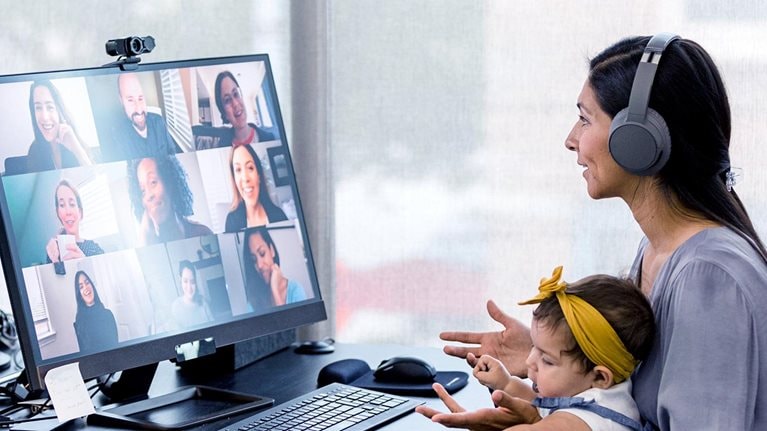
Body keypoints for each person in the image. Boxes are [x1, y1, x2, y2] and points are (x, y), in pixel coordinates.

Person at [422, 34, 767, 430]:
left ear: (638, 140)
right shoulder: (659, 250)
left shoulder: (709, 277)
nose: (571, 140)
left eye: (585, 119)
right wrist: (560, 356)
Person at [469, 266, 654, 431]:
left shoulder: (590, 420)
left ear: (599, 377)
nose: (529, 361)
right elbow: (542, 405)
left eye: (547, 360)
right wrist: (505, 383)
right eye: (534, 346)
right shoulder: (609, 389)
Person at [127, 155, 212, 245]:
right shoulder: (145, 243)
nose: (148, 195)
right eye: (142, 191)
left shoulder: (202, 233)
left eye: (153, 182)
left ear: (170, 182)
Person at [101, 73, 177, 162]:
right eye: (130, 100)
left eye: (140, 98)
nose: (139, 109)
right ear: (121, 101)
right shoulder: (117, 135)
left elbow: (173, 154)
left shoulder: (158, 121)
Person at [26, 80, 93, 172]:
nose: (45, 117)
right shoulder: (34, 151)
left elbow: (98, 182)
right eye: (38, 108)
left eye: (50, 107)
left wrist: (77, 150)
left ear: (59, 111)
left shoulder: (75, 140)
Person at [224, 144, 287, 232]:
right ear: (234, 179)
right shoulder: (232, 222)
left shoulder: (279, 215)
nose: (245, 178)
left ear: (259, 175)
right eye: (238, 170)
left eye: (250, 168)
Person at [242, 226, 307, 312]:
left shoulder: (295, 290)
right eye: (254, 260)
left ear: (271, 250)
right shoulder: (253, 303)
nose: (259, 265)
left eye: (262, 253)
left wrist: (275, 290)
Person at [45, 179, 105, 266]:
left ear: (80, 212)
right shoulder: (54, 250)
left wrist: (85, 263)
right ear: (58, 213)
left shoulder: (94, 248)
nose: (68, 211)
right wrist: (54, 261)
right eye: (62, 205)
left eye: (72, 204)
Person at [214, 70, 276, 148]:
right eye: (227, 100)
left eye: (236, 94)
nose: (236, 104)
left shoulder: (269, 139)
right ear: (224, 113)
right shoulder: (221, 147)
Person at [72, 270, 118, 353]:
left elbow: (115, 347)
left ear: (92, 286)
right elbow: (83, 353)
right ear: (80, 295)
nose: (86, 287)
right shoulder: (79, 322)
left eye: (87, 282)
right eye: (81, 287)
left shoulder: (108, 314)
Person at [170, 260, 213, 328]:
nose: (189, 287)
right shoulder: (176, 307)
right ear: (180, 280)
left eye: (192, 281)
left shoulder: (203, 302)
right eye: (185, 281)